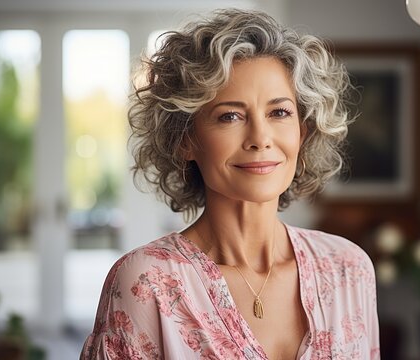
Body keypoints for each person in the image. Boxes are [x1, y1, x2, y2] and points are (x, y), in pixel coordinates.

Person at [81, 8, 379, 360]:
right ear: (185, 140)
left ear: (303, 130)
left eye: (279, 112)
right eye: (230, 116)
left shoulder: (348, 268)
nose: (260, 138)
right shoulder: (147, 282)